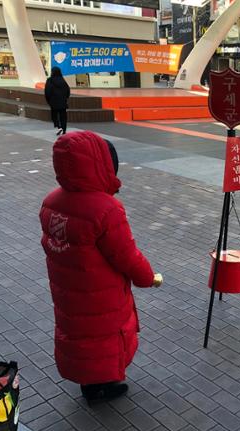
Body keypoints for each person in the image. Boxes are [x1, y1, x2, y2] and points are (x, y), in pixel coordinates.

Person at [39, 131, 162, 404]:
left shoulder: (51, 202)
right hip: (100, 291)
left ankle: (88, 383)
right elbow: (126, 255)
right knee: (103, 336)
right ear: (99, 165)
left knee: (80, 333)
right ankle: (103, 386)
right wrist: (147, 278)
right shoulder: (106, 209)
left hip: (68, 290)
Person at [44, 67, 70, 136]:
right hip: (63, 102)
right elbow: (68, 90)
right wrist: (65, 98)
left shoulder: (50, 80)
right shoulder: (63, 80)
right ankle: (64, 130)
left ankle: (59, 127)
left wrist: (49, 101)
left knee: (54, 116)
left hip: (53, 102)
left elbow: (47, 92)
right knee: (63, 116)